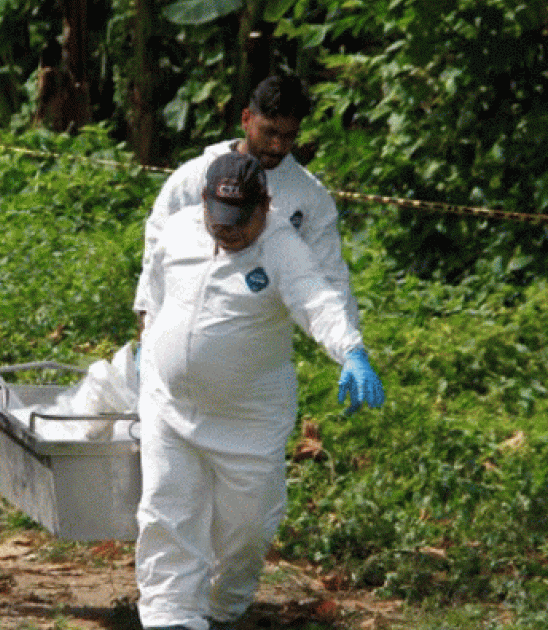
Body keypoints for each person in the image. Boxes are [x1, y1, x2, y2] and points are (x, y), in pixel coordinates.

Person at [133, 152, 385, 630]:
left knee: (246, 530)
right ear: (204, 201)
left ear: (265, 206)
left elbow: (317, 299)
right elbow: (155, 285)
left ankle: (223, 606)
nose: (227, 231)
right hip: (170, 406)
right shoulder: (181, 228)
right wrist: (150, 338)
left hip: (247, 421)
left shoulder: (282, 248)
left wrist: (351, 350)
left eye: (240, 221)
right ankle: (171, 616)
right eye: (218, 217)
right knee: (166, 513)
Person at [134, 75, 360, 337]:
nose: (277, 145)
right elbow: (156, 249)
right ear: (246, 119)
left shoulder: (309, 197)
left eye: (288, 136)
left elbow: (330, 276)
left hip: (257, 338)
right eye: (269, 132)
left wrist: (350, 346)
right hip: (182, 325)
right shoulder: (195, 177)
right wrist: (147, 322)